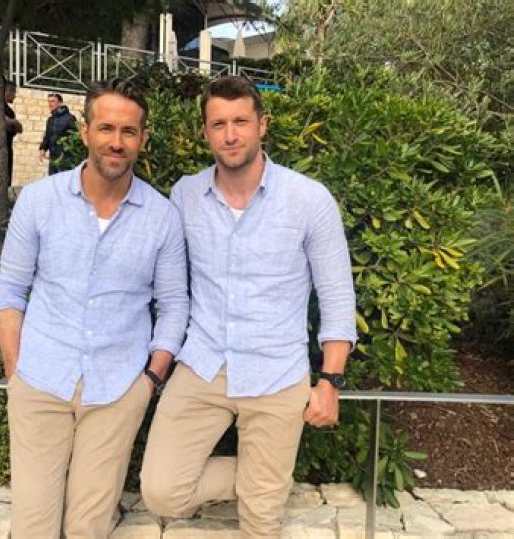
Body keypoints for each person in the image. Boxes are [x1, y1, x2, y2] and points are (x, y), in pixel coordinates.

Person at [140, 76, 357, 537]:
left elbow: (337, 296)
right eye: (218, 124)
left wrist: (331, 381)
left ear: (262, 124)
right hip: (202, 365)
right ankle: (266, 479)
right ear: (205, 132)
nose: (231, 134)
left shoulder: (309, 199)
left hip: (276, 371)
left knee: (260, 521)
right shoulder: (184, 196)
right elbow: (169, 286)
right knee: (162, 491)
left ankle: (266, 486)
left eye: (240, 121)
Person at [0, 78, 189, 538]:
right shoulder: (39, 201)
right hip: (40, 381)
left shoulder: (162, 217)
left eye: (128, 131)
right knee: (33, 527)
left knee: (88, 528)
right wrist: (16, 372)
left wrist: (149, 381)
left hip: (118, 390)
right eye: (106, 128)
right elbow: (9, 289)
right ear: (85, 132)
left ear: (142, 139)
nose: (116, 142)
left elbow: (174, 305)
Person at [39, 92, 77, 175]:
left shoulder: (70, 118)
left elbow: (75, 136)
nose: (50, 104)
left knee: (64, 180)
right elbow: (47, 136)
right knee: (52, 180)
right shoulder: (50, 120)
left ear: (60, 103)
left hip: (65, 158)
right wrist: (43, 149)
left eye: (53, 101)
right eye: (49, 101)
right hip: (53, 157)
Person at [4, 80, 23, 186]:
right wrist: (12, 123)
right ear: (8, 91)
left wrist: (13, 123)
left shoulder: (10, 111)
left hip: (8, 147)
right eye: (14, 92)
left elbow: (19, 129)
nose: (15, 96)